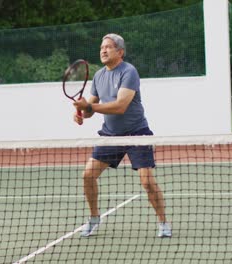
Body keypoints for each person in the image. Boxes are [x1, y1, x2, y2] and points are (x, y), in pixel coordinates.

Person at [73, 33, 171, 238]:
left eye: (108, 47)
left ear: (120, 52)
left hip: (137, 133)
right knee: (88, 175)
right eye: (101, 47)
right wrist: (82, 112)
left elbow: (120, 106)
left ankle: (163, 222)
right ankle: (93, 218)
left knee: (146, 181)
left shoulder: (129, 72)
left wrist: (89, 106)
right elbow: (92, 108)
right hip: (110, 135)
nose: (103, 50)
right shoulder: (99, 76)